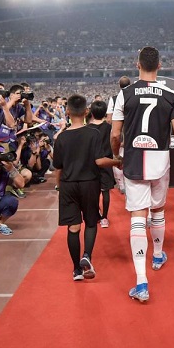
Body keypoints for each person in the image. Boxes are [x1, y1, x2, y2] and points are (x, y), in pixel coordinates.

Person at [111, 46, 174, 303]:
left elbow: (115, 134)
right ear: (159, 66)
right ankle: (158, 255)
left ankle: (141, 281)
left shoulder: (124, 94)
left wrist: (117, 156)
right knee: (158, 210)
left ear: (137, 65)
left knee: (138, 217)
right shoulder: (171, 95)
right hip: (161, 159)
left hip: (134, 159)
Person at [53, 95, 120, 281]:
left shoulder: (61, 138)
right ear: (86, 112)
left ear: (67, 112)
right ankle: (87, 256)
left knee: (73, 227)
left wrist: (59, 186)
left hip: (68, 185)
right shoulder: (94, 134)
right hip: (89, 183)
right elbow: (99, 161)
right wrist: (117, 162)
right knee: (91, 222)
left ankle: (76, 270)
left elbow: (57, 167)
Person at [89, 100, 115, 228]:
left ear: (91, 113)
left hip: (91, 164)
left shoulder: (87, 128)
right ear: (105, 113)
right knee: (105, 192)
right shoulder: (109, 128)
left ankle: (96, 215)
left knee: (93, 192)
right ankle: (104, 217)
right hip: (106, 162)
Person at [107, 76, 131, 194]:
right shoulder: (133, 95)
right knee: (131, 157)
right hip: (132, 132)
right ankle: (129, 183)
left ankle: (121, 184)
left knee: (117, 158)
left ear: (119, 86)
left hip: (119, 131)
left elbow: (109, 119)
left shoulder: (114, 98)